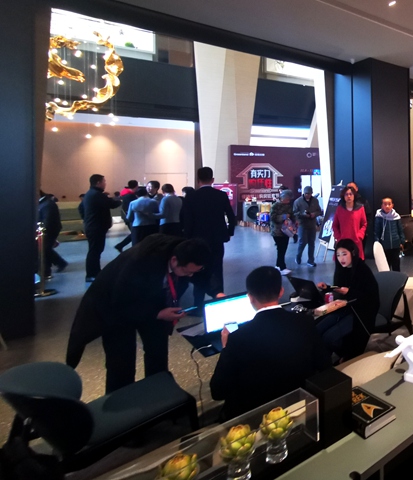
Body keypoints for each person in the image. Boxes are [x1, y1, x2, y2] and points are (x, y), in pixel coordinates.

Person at [66, 235, 210, 393]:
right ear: (174, 261)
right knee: (121, 362)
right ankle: (121, 399)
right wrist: (158, 314)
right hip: (115, 308)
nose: (190, 276)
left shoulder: (183, 251)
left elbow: (199, 276)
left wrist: (217, 292)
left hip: (151, 301)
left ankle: (158, 394)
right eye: (186, 272)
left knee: (158, 352)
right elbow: (121, 303)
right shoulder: (139, 263)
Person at [210, 266, 331, 419]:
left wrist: (225, 347)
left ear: (250, 297)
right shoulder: (305, 322)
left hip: (256, 416)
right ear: (281, 292)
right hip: (299, 404)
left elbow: (218, 391)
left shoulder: (238, 338)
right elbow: (325, 365)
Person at [181, 167, 236, 313]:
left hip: (197, 240)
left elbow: (187, 221)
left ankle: (198, 305)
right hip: (217, 239)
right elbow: (231, 217)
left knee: (198, 269)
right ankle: (219, 301)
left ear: (198, 180)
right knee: (217, 269)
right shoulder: (221, 195)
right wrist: (229, 232)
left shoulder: (191, 197)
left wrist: (187, 238)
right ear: (212, 180)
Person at [316, 239, 379, 360]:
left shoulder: (362, 270)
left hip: (361, 313)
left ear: (353, 253)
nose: (341, 259)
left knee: (329, 337)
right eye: (338, 255)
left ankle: (344, 356)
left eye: (344, 254)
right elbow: (339, 288)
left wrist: (350, 292)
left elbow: (371, 297)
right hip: (344, 308)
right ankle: (323, 362)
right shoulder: (341, 269)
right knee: (317, 329)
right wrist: (327, 288)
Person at [82, 174, 122, 282]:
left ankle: (95, 272)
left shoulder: (89, 194)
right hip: (96, 227)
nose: (105, 183)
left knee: (96, 250)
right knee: (95, 251)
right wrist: (121, 200)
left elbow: (81, 208)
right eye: (104, 181)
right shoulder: (97, 194)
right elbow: (112, 204)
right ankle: (91, 274)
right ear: (98, 183)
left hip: (92, 226)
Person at [333, 185, 368, 260]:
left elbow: (364, 224)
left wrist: (359, 235)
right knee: (343, 263)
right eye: (346, 194)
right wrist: (338, 237)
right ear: (343, 196)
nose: (349, 196)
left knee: (357, 263)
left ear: (354, 196)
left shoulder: (360, 208)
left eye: (350, 194)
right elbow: (335, 225)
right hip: (342, 241)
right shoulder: (340, 209)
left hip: (356, 241)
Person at [38, 190, 68, 276]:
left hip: (49, 230)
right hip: (48, 230)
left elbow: (48, 220)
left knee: (45, 249)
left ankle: (50, 268)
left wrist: (43, 230)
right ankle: (57, 264)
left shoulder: (47, 204)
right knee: (45, 249)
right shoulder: (44, 203)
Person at [293, 185, 322, 267]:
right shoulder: (298, 201)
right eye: (306, 193)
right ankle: (298, 256)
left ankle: (311, 260)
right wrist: (303, 214)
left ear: (311, 193)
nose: (307, 195)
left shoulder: (315, 201)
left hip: (312, 224)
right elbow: (294, 213)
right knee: (302, 242)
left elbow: (319, 211)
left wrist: (314, 214)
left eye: (309, 194)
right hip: (302, 224)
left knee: (311, 242)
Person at [374, 197, 406, 271]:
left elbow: (400, 229)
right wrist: (377, 242)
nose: (387, 206)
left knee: (396, 265)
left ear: (392, 205)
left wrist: (402, 241)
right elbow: (377, 231)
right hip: (384, 246)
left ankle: (397, 278)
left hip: (395, 244)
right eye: (385, 204)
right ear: (382, 206)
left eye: (389, 204)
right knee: (386, 266)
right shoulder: (379, 217)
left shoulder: (396, 216)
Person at [270, 190, 295, 274]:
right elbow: (273, 217)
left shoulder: (289, 206)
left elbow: (292, 215)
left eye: (289, 199)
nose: (288, 201)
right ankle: (282, 267)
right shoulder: (275, 206)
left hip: (287, 230)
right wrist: (284, 216)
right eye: (287, 199)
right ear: (283, 198)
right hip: (277, 231)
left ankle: (278, 265)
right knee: (281, 249)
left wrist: (295, 221)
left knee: (283, 248)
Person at [115, 183, 139, 253]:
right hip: (131, 217)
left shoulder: (124, 194)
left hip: (126, 216)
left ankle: (120, 245)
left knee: (134, 233)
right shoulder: (130, 196)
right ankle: (132, 249)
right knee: (134, 234)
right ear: (136, 186)